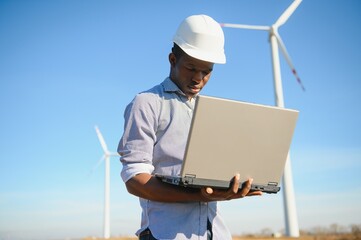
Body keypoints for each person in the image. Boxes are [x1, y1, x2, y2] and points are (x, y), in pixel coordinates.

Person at [118, 14, 262, 240]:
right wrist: (200, 196)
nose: (199, 78)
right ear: (172, 59)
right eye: (191, 68)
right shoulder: (147, 103)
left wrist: (230, 186)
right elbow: (135, 180)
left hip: (216, 234)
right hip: (164, 234)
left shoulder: (212, 112)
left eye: (207, 71)